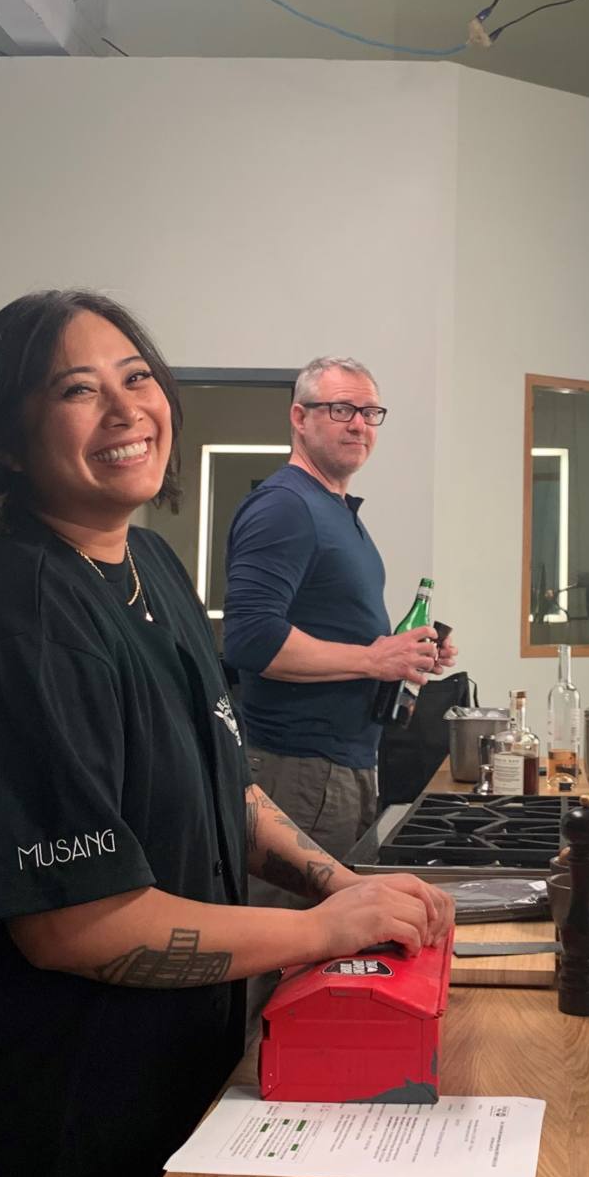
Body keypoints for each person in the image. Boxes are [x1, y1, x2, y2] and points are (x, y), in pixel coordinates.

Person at [0, 293, 452, 1177]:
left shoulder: (148, 564)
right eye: (77, 392)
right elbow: (80, 926)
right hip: (24, 1126)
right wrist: (323, 929)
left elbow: (225, 780)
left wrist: (339, 880)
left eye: (138, 378)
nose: (129, 409)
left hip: (150, 1096)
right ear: (6, 442)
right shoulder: (21, 628)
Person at [222, 356, 455, 904]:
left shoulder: (334, 510)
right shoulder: (286, 507)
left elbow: (339, 630)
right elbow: (250, 639)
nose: (360, 424)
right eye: (342, 409)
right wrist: (374, 660)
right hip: (297, 775)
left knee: (325, 953)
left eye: (371, 412)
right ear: (299, 417)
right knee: (287, 956)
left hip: (338, 770)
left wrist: (405, 655)